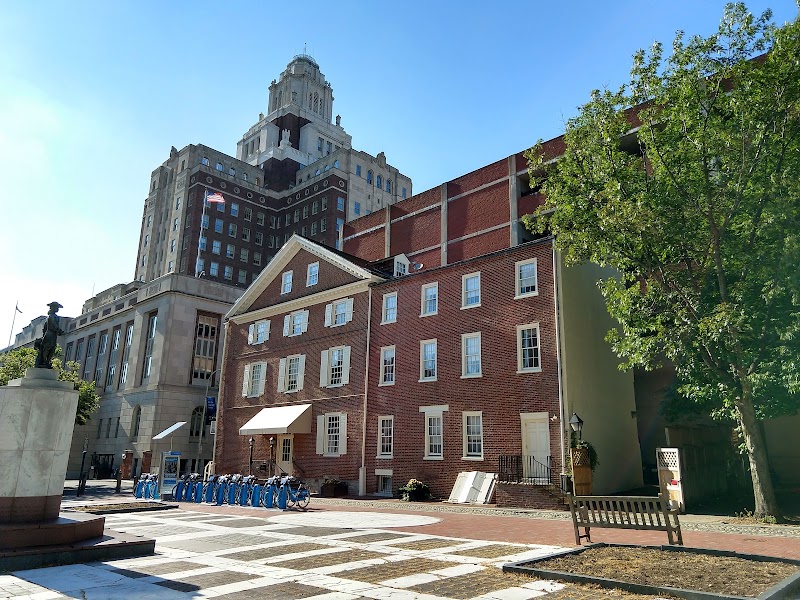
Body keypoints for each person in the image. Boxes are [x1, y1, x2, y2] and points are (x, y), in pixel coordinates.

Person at [34, 301, 65, 368]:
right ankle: (45, 362)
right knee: (47, 348)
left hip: (53, 335)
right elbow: (53, 325)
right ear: (52, 308)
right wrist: (60, 331)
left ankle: (47, 361)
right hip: (49, 334)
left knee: (52, 348)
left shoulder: (55, 316)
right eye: (56, 307)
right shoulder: (51, 316)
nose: (58, 309)